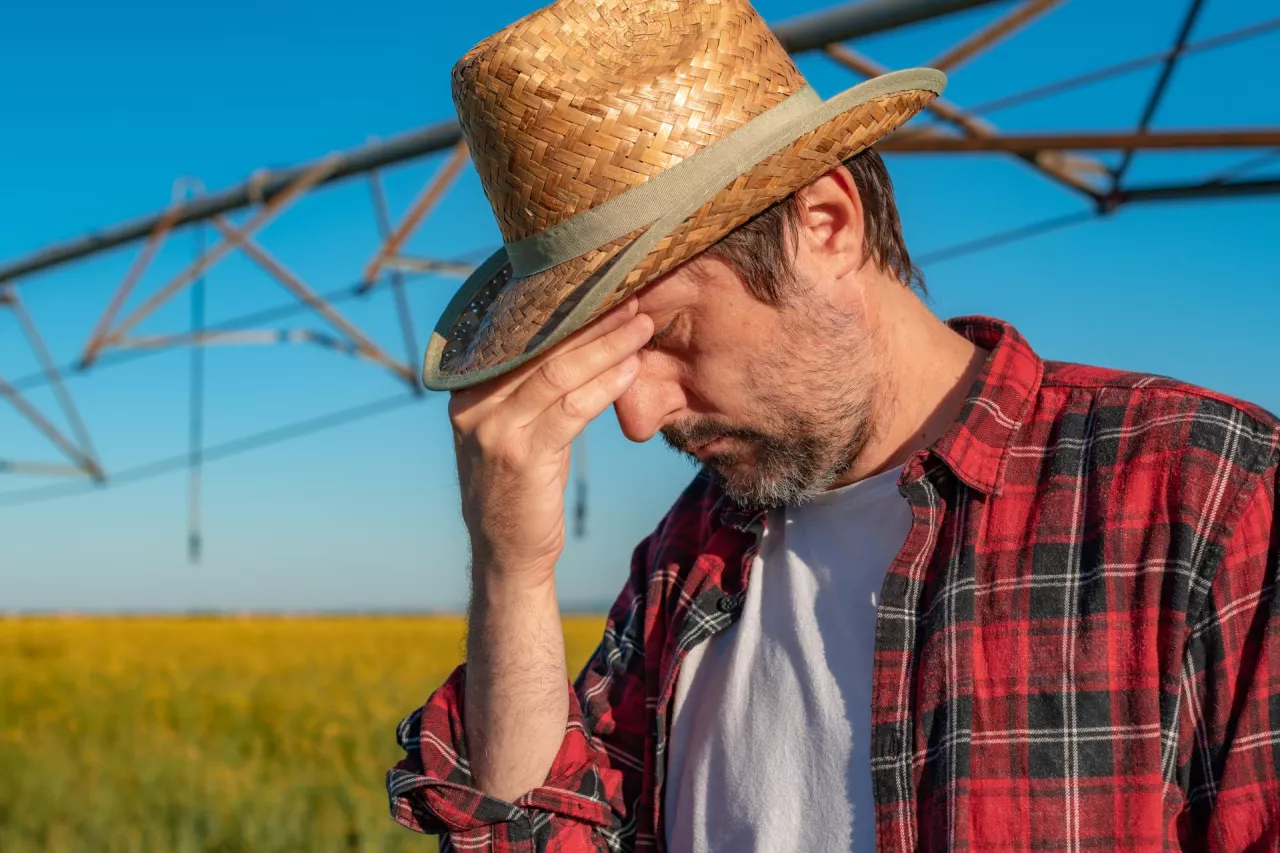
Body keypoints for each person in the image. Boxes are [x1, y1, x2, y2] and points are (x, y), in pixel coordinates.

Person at [386, 0, 1280, 850]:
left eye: (667, 337)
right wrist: (511, 569)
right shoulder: (685, 558)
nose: (637, 416)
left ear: (826, 225)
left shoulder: (1204, 494)